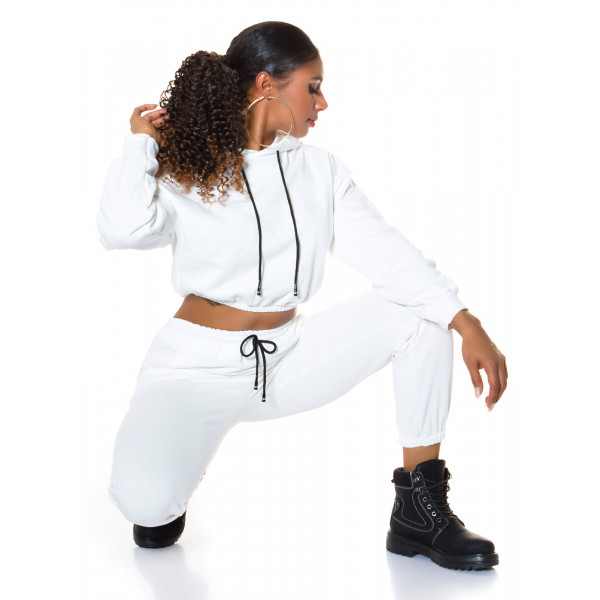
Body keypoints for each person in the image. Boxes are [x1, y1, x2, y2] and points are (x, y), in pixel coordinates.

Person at [96, 21, 508, 571]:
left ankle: (418, 509)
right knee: (146, 507)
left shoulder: (318, 170)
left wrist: (465, 321)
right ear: (267, 83)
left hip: (288, 357)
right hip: (195, 366)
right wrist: (142, 144)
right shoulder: (191, 162)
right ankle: (173, 474)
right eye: (313, 87)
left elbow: (387, 254)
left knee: (422, 316)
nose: (323, 102)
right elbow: (122, 229)